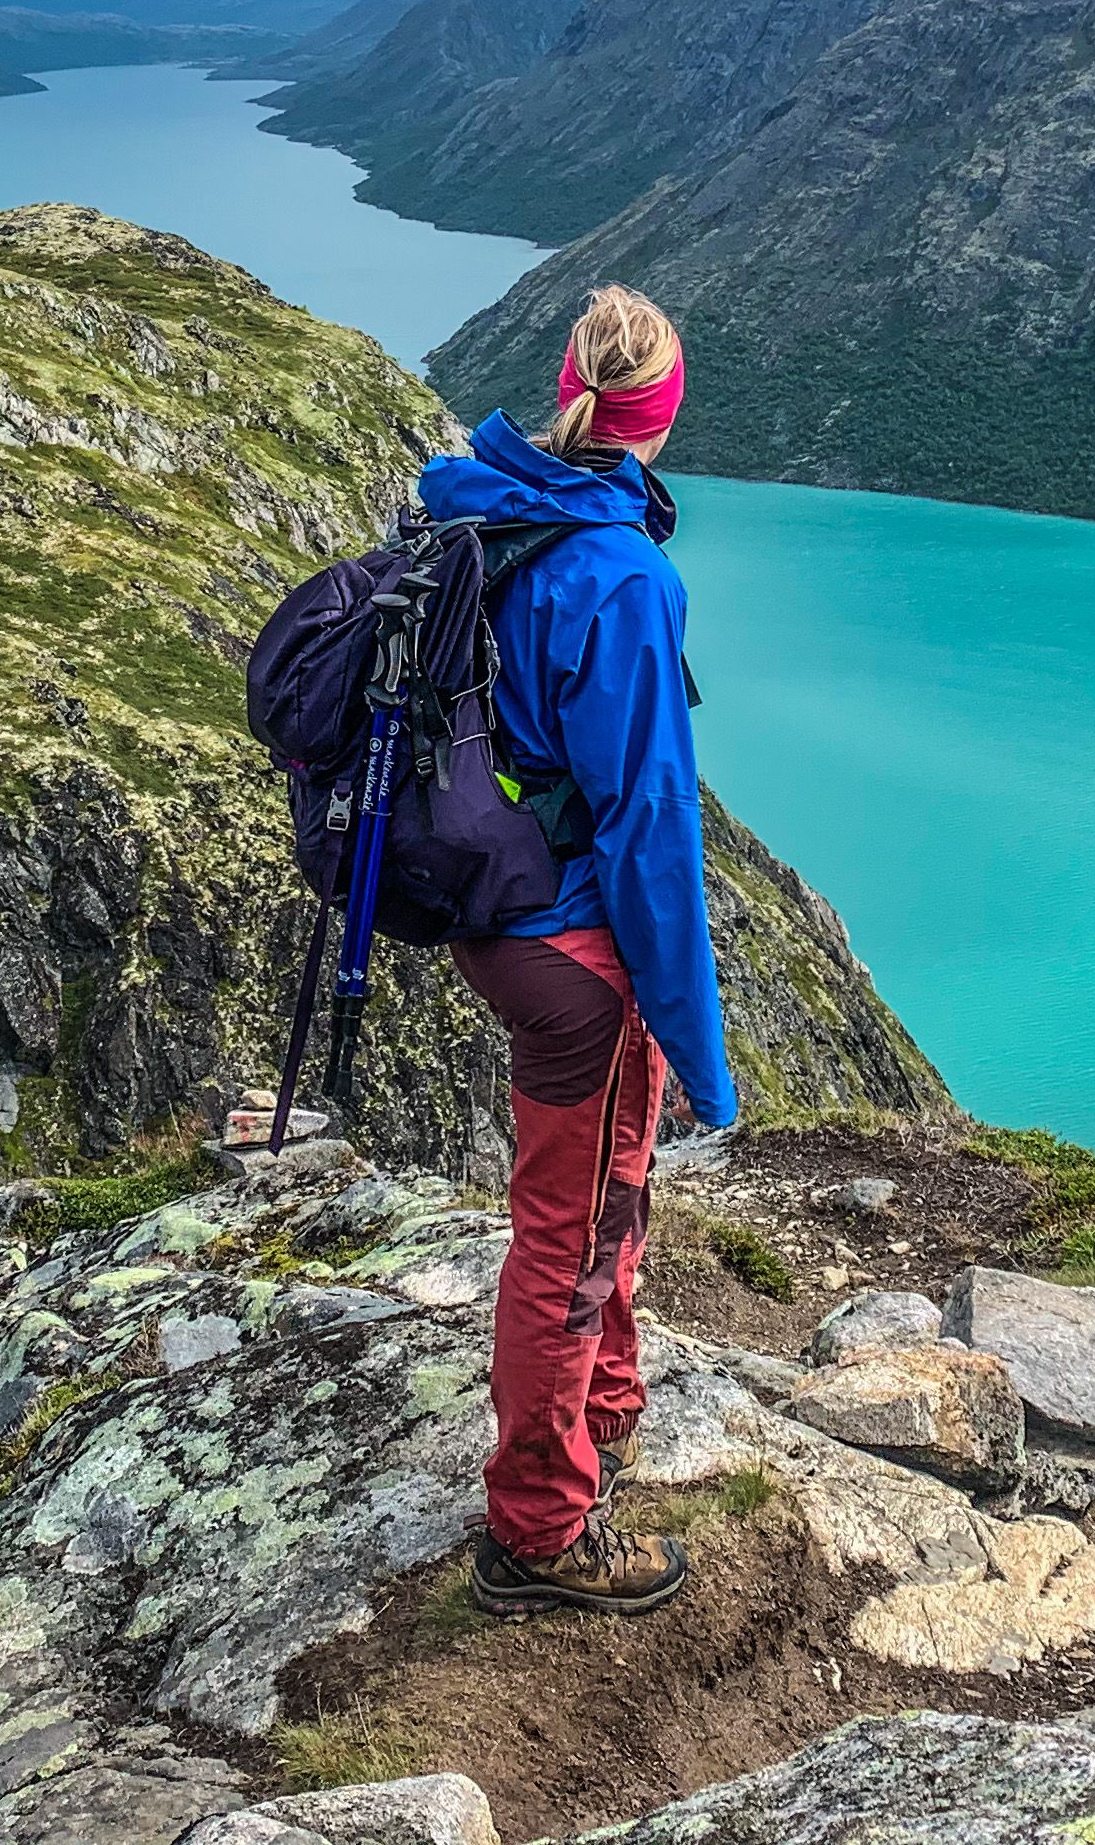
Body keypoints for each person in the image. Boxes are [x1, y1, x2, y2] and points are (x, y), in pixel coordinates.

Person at [420, 282, 733, 1617]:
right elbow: (650, 825)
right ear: (661, 415)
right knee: (568, 1233)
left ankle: (605, 1398)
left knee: (598, 1196)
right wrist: (700, 1047)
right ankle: (540, 1530)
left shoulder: (492, 508)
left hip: (499, 911)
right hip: (576, 954)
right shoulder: (620, 576)